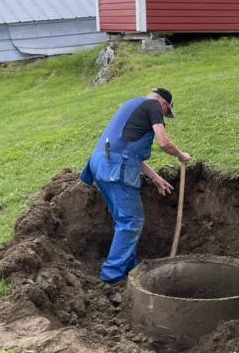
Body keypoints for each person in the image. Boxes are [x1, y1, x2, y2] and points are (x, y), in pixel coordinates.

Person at [81, 87, 191, 283]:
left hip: (101, 163)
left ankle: (130, 268)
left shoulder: (131, 106)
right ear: (163, 104)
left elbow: (126, 149)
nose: (163, 115)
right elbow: (163, 142)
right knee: (131, 221)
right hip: (116, 167)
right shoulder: (153, 105)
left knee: (123, 220)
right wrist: (180, 155)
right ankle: (111, 276)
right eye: (166, 112)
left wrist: (155, 177)